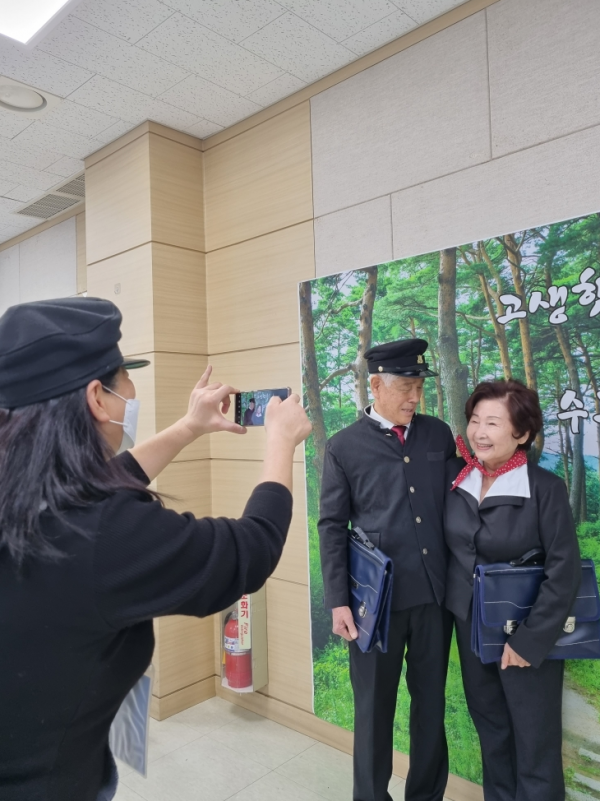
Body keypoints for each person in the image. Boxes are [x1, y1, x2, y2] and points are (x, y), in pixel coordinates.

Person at [0, 297, 312, 801]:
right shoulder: (102, 534)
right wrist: (280, 443)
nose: (131, 392)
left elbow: (95, 490)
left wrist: (189, 426)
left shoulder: (30, 492)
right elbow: (247, 551)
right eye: (125, 378)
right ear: (98, 399)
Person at [318, 339, 457, 801]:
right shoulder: (343, 447)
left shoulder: (437, 435)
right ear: (375, 384)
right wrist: (338, 600)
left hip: (434, 598)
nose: (414, 398)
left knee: (430, 708)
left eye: (419, 386)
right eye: (406, 387)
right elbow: (332, 526)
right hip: (373, 608)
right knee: (374, 712)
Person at [444, 379, 581, 801]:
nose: (479, 432)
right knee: (493, 735)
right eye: (474, 421)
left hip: (524, 636)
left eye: (493, 423)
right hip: (472, 630)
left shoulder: (544, 488)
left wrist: (529, 640)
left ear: (521, 433)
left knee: (535, 744)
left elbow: (565, 570)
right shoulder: (460, 480)